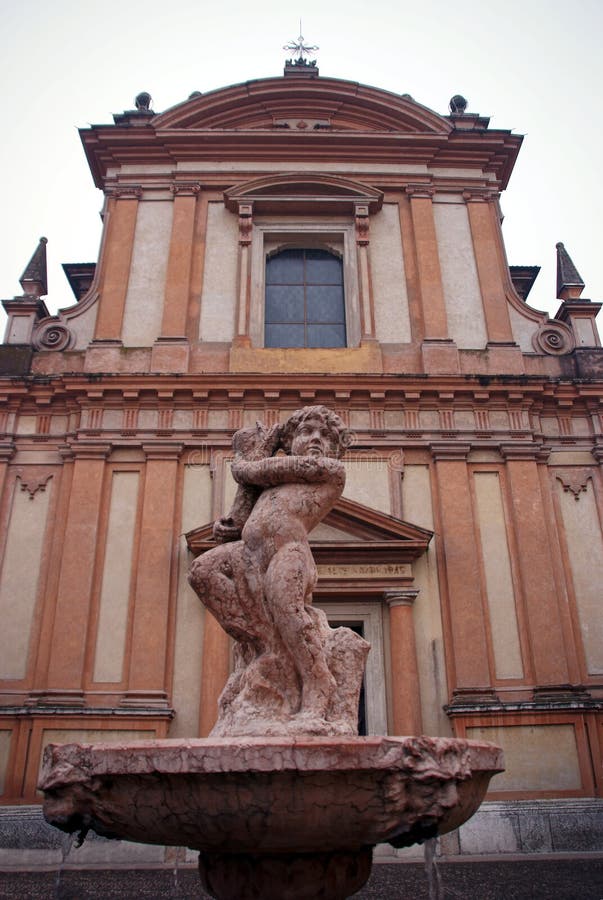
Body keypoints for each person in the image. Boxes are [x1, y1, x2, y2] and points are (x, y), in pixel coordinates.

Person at [189, 405, 350, 726]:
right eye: (306, 432)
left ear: (335, 447)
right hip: (250, 552)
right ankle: (266, 646)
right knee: (202, 572)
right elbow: (245, 510)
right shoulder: (275, 478)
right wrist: (229, 528)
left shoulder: (328, 470)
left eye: (325, 435)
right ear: (290, 441)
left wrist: (248, 453)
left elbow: (250, 472)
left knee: (288, 613)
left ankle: (319, 688)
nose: (316, 439)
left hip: (287, 554)